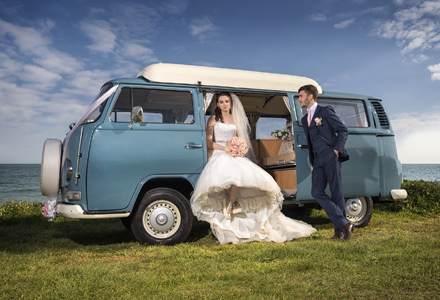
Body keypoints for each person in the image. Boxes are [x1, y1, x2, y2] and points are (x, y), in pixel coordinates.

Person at [190, 92, 316, 245]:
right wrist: (226, 149)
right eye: (221, 102)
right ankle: (228, 206)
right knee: (229, 174)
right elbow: (210, 143)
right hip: (219, 153)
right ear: (217, 104)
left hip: (234, 153)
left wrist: (238, 149)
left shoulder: (235, 119)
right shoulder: (213, 119)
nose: (224, 104)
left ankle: (230, 202)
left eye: (227, 102)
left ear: (230, 104)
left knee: (241, 173)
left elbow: (238, 139)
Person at [298, 84, 353, 240]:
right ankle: (344, 223)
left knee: (336, 192)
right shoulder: (304, 119)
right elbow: (310, 141)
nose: (299, 99)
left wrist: (336, 150)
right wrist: (312, 161)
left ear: (310, 96)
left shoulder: (325, 111)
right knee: (316, 192)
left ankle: (339, 231)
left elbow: (343, 130)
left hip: (329, 154)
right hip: (317, 160)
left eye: (301, 96)